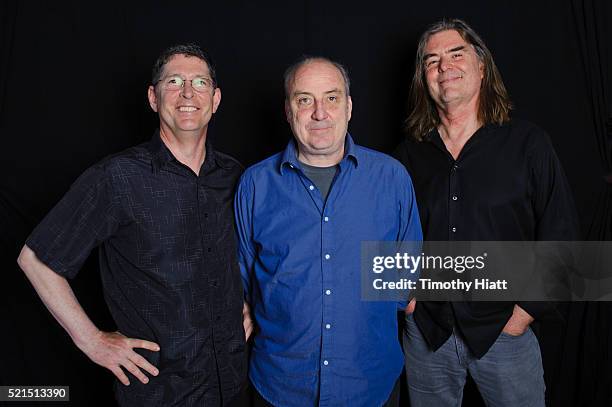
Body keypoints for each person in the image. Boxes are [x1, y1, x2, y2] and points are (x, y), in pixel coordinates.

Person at [17, 44, 247, 406]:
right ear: (154, 98)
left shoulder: (236, 176)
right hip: (160, 394)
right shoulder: (117, 178)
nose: (188, 93)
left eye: (200, 82)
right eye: (174, 81)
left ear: (215, 99)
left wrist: (248, 303)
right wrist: (91, 340)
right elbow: (36, 259)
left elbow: (252, 254)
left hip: (234, 386)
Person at [393, 18, 580, 406]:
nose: (444, 67)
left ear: (481, 66)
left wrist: (523, 315)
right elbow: (388, 236)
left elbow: (562, 236)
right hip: (429, 335)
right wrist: (408, 301)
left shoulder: (529, 144)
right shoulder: (406, 157)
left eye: (456, 54)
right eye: (431, 61)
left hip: (504, 332)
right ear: (423, 79)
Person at [234, 56, 422, 406]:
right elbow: (243, 281)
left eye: (332, 98)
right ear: (288, 112)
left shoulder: (392, 178)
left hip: (370, 386)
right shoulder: (255, 184)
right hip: (279, 387)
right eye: (304, 100)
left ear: (348, 107)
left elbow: (406, 282)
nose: (319, 112)